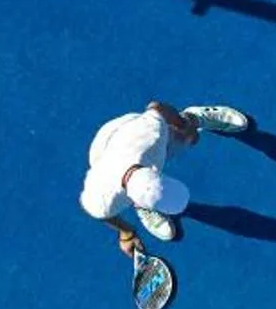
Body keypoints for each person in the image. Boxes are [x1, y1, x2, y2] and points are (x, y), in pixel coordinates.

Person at [79, 101, 251, 256]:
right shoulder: (103, 201)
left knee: (183, 137)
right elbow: (101, 214)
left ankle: (195, 117)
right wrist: (126, 233)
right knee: (171, 147)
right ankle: (143, 205)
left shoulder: (149, 135)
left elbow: (157, 107)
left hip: (120, 131)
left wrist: (184, 125)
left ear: (155, 173)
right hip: (101, 153)